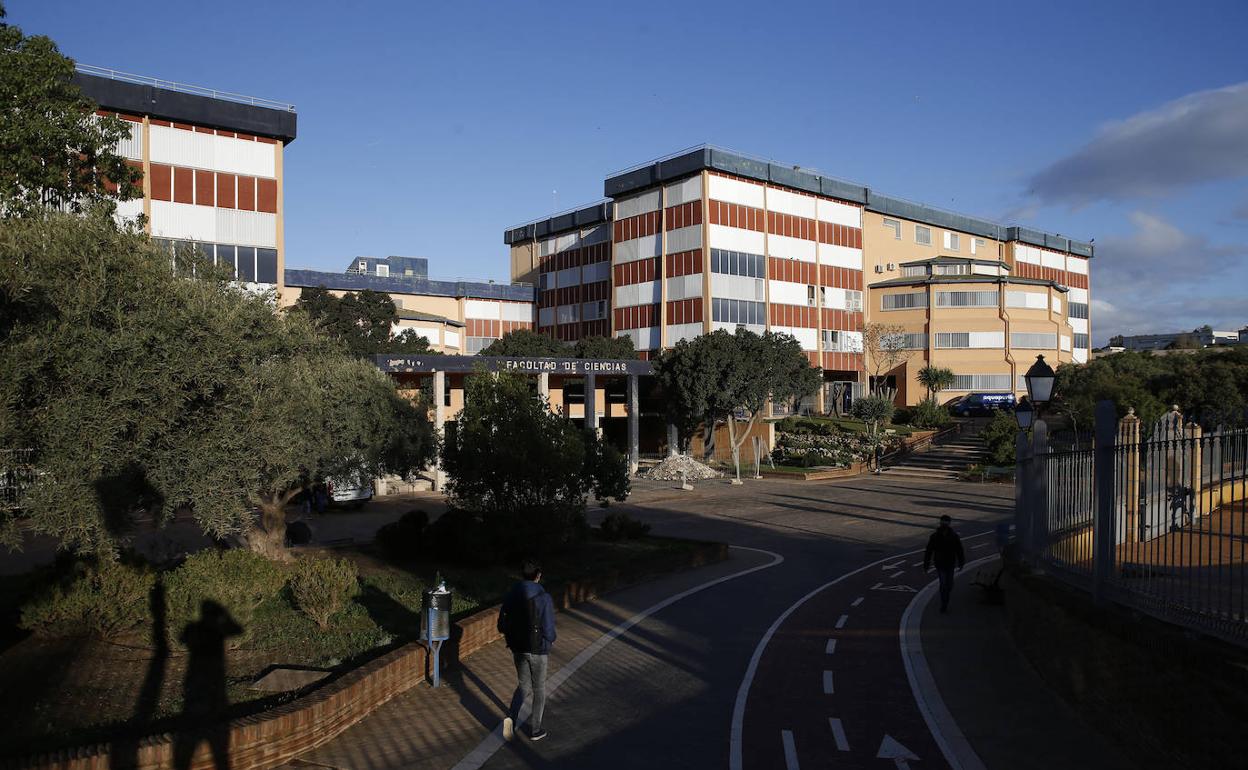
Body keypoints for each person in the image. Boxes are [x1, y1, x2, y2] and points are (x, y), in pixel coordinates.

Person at [497, 558, 556, 742]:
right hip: (538, 649)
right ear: (538, 576)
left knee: (523, 685)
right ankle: (535, 729)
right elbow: (549, 628)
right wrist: (551, 640)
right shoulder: (544, 597)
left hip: (518, 648)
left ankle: (511, 721)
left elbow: (501, 625)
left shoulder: (511, 595)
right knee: (539, 689)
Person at [924, 515, 966, 613]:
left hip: (950, 562)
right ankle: (944, 604)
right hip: (940, 563)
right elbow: (929, 551)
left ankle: (945, 599)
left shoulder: (954, 536)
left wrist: (961, 562)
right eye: (943, 522)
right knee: (943, 583)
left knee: (949, 584)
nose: (944, 524)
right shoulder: (934, 536)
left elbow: (959, 550)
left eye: (946, 523)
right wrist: (926, 564)